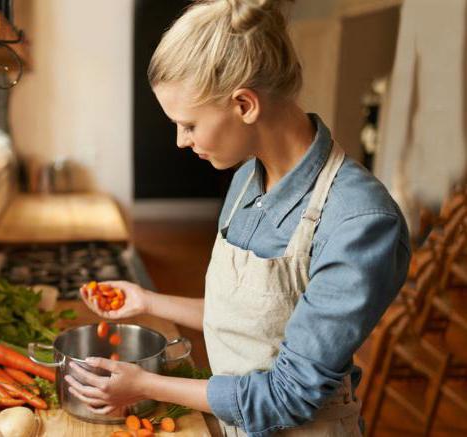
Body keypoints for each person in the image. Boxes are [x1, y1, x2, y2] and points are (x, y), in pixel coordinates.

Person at [67, 0, 410, 435]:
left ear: (245, 104)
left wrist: (147, 385)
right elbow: (258, 318)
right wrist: (147, 301)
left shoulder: (359, 222)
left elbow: (289, 394)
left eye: (189, 124)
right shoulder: (247, 179)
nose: (179, 141)